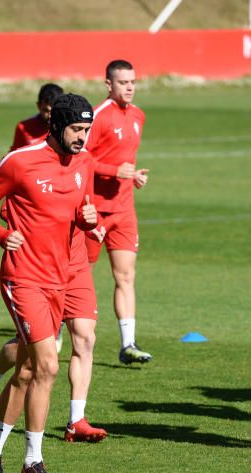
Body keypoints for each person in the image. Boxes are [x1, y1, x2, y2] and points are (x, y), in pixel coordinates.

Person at [0, 93, 98, 473]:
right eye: (77, 129)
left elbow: (79, 206)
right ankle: (33, 461)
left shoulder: (84, 162)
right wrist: (1, 234)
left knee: (26, 371)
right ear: (57, 125)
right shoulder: (20, 161)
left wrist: (87, 216)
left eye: (87, 129)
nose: (82, 137)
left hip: (60, 278)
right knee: (48, 365)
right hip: (22, 277)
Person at [83, 60, 151, 365]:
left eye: (133, 82)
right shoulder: (98, 117)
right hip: (94, 211)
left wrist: (133, 176)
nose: (130, 87)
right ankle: (55, 329)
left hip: (124, 211)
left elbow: (126, 162)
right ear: (108, 84)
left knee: (126, 275)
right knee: (79, 275)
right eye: (123, 82)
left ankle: (128, 345)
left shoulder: (138, 116)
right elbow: (80, 159)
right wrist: (113, 170)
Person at [10, 83, 63, 150]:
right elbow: (14, 154)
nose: (50, 116)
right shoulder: (23, 127)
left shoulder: (69, 128)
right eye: (46, 110)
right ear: (38, 106)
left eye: (54, 111)